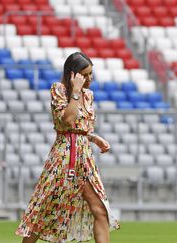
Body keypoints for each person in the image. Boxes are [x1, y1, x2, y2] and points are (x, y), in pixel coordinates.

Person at [15, 52, 120, 243]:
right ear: (73, 75)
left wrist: (94, 138)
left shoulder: (89, 95)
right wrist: (76, 92)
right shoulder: (59, 90)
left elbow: (82, 126)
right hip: (64, 156)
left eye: (91, 74)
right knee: (46, 209)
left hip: (85, 157)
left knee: (100, 209)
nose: (89, 79)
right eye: (85, 75)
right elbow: (67, 120)